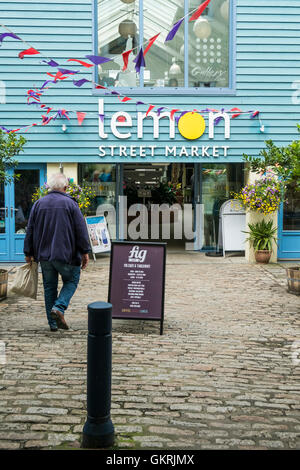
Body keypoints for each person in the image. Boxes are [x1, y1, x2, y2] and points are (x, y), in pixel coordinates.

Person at [24, 173, 91, 332]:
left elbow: (30, 230)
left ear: (49, 187)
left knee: (49, 288)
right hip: (67, 255)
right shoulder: (71, 204)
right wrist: (85, 252)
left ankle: (53, 324)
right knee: (72, 281)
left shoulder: (38, 204)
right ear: (66, 188)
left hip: (45, 256)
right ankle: (59, 308)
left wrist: (28, 252)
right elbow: (80, 230)